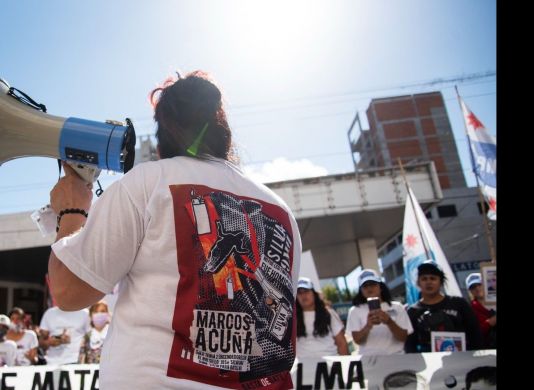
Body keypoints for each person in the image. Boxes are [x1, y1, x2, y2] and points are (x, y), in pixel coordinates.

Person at [47, 70, 302, 389]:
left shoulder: (145, 183)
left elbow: (68, 292)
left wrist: (72, 209)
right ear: (223, 129)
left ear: (163, 130)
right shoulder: (280, 210)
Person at [405, 261, 483, 353]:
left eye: (433, 278)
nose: (428, 282)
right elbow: (410, 344)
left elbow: (475, 333)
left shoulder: (459, 303)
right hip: (430, 364)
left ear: (441, 282)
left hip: (462, 361)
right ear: (418, 283)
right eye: (424, 279)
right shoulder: (413, 311)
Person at [346, 269, 413, 356]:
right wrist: (368, 326)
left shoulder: (397, 307)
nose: (369, 288)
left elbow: (403, 337)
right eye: (365, 286)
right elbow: (357, 340)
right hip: (369, 362)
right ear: (361, 290)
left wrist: (389, 321)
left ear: (380, 286)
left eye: (373, 284)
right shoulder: (355, 311)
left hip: (396, 359)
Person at [296, 277, 349, 358]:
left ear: (314, 293)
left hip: (330, 364)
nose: (303, 295)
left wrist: (346, 366)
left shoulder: (328, 313)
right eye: (299, 293)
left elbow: (342, 343)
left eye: (306, 291)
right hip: (303, 367)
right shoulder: (292, 318)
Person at [465, 273, 496, 349]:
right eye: (473, 287)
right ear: (470, 291)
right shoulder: (469, 309)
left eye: (479, 284)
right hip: (487, 350)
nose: (477, 288)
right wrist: (488, 323)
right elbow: (472, 334)